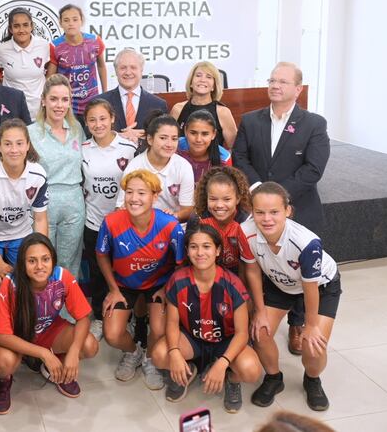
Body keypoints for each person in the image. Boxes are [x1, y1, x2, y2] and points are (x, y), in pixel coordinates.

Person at [233, 61, 331, 355]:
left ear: (297, 89)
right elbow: (239, 157)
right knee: (259, 266)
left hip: (300, 209)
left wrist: (276, 199)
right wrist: (257, 193)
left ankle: (298, 323)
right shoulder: (251, 120)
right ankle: (259, 315)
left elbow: (313, 169)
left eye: (283, 82)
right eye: (272, 80)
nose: (275, 85)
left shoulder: (314, 124)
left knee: (302, 272)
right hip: (256, 208)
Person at [241, 182, 341, 411]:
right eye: (260, 212)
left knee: (313, 347)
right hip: (281, 284)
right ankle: (274, 378)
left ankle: (312, 380)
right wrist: (260, 311)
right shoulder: (245, 232)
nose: (267, 219)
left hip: (320, 287)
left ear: (288, 211)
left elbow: (310, 287)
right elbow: (253, 271)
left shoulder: (307, 243)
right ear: (251, 211)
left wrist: (311, 325)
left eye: (274, 212)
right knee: (260, 332)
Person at [151, 222, 262, 412]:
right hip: (192, 339)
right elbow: (172, 323)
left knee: (252, 371)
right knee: (160, 355)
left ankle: (231, 379)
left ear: (218, 250)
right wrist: (175, 353)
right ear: (187, 251)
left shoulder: (232, 285)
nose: (200, 253)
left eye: (207, 246)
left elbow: (242, 333)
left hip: (224, 341)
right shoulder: (178, 281)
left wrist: (223, 363)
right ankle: (186, 371)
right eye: (194, 247)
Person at [96, 169, 185, 391]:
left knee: (159, 328)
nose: (134, 198)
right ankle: (133, 352)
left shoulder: (170, 226)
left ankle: (150, 359)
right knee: (113, 334)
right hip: (124, 284)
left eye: (142, 193)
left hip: (158, 285)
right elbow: (101, 254)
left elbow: (181, 264)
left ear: (155, 196)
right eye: (129, 192)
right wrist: (113, 289)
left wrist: (166, 289)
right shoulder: (111, 222)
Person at [0, 233, 99, 413]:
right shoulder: (11, 284)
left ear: (53, 260)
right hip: (17, 336)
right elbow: (2, 336)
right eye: (32, 261)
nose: (40, 266)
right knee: (3, 363)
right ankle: (3, 382)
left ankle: (58, 368)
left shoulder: (62, 276)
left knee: (88, 345)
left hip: (49, 331)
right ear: (22, 264)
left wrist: (73, 351)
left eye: (45, 259)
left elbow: (83, 317)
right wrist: (43, 353)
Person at [0, 119, 49, 312]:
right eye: (8, 143)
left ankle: (20, 337)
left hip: (20, 235)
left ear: (28, 145)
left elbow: (40, 219)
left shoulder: (38, 175)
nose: (14, 150)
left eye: (19, 143)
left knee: (24, 296)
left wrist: (41, 253)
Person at [80, 98, 138, 340]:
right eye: (92, 120)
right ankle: (99, 316)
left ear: (113, 118)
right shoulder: (82, 149)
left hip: (124, 223)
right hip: (93, 222)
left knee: (124, 269)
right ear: (86, 123)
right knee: (96, 271)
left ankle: (129, 315)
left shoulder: (130, 148)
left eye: (103, 118)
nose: (98, 124)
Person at [27, 74, 86, 278]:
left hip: (74, 203)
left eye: (64, 99)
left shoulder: (77, 129)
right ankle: (44, 309)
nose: (59, 105)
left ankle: (70, 310)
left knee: (70, 263)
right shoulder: (30, 133)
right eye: (54, 99)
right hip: (43, 204)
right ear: (43, 100)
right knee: (43, 263)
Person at [116, 111, 195, 222]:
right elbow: (120, 206)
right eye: (163, 138)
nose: (169, 144)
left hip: (172, 226)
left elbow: (187, 209)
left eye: (174, 139)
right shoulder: (135, 166)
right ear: (150, 139)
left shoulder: (183, 166)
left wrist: (173, 216)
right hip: (140, 226)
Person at [93, 47, 168, 150]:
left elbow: (165, 137)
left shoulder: (158, 104)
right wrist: (119, 136)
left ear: (141, 70)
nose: (128, 72)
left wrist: (145, 137)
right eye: (123, 68)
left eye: (133, 67)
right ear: (116, 71)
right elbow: (89, 135)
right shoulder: (99, 102)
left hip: (146, 162)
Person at [46, 4, 107, 123]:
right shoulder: (55, 46)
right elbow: (50, 78)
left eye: (75, 19)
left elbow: (101, 66)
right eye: (66, 20)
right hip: (68, 104)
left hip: (92, 100)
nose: (71, 23)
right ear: (60, 23)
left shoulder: (94, 41)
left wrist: (105, 93)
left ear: (81, 21)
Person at [193, 166, 253, 276]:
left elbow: (250, 265)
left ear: (238, 199)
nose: (219, 205)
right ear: (206, 198)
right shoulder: (200, 220)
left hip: (239, 273)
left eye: (227, 199)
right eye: (213, 199)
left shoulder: (247, 222)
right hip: (208, 272)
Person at [0, 7, 50, 119]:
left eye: (25, 25)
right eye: (16, 26)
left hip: (40, 112)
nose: (21, 30)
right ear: (10, 29)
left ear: (32, 26)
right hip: (12, 112)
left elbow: (50, 74)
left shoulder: (44, 46)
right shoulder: (1, 50)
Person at [170, 61, 237, 148]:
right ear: (191, 82)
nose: (202, 80)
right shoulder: (177, 109)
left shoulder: (223, 112)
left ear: (214, 86)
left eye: (208, 77)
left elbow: (236, 149)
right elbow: (168, 141)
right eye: (198, 75)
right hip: (181, 160)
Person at [177, 110, 233, 184]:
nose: (198, 139)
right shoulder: (175, 147)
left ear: (213, 134)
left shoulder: (224, 159)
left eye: (205, 134)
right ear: (185, 131)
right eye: (193, 133)